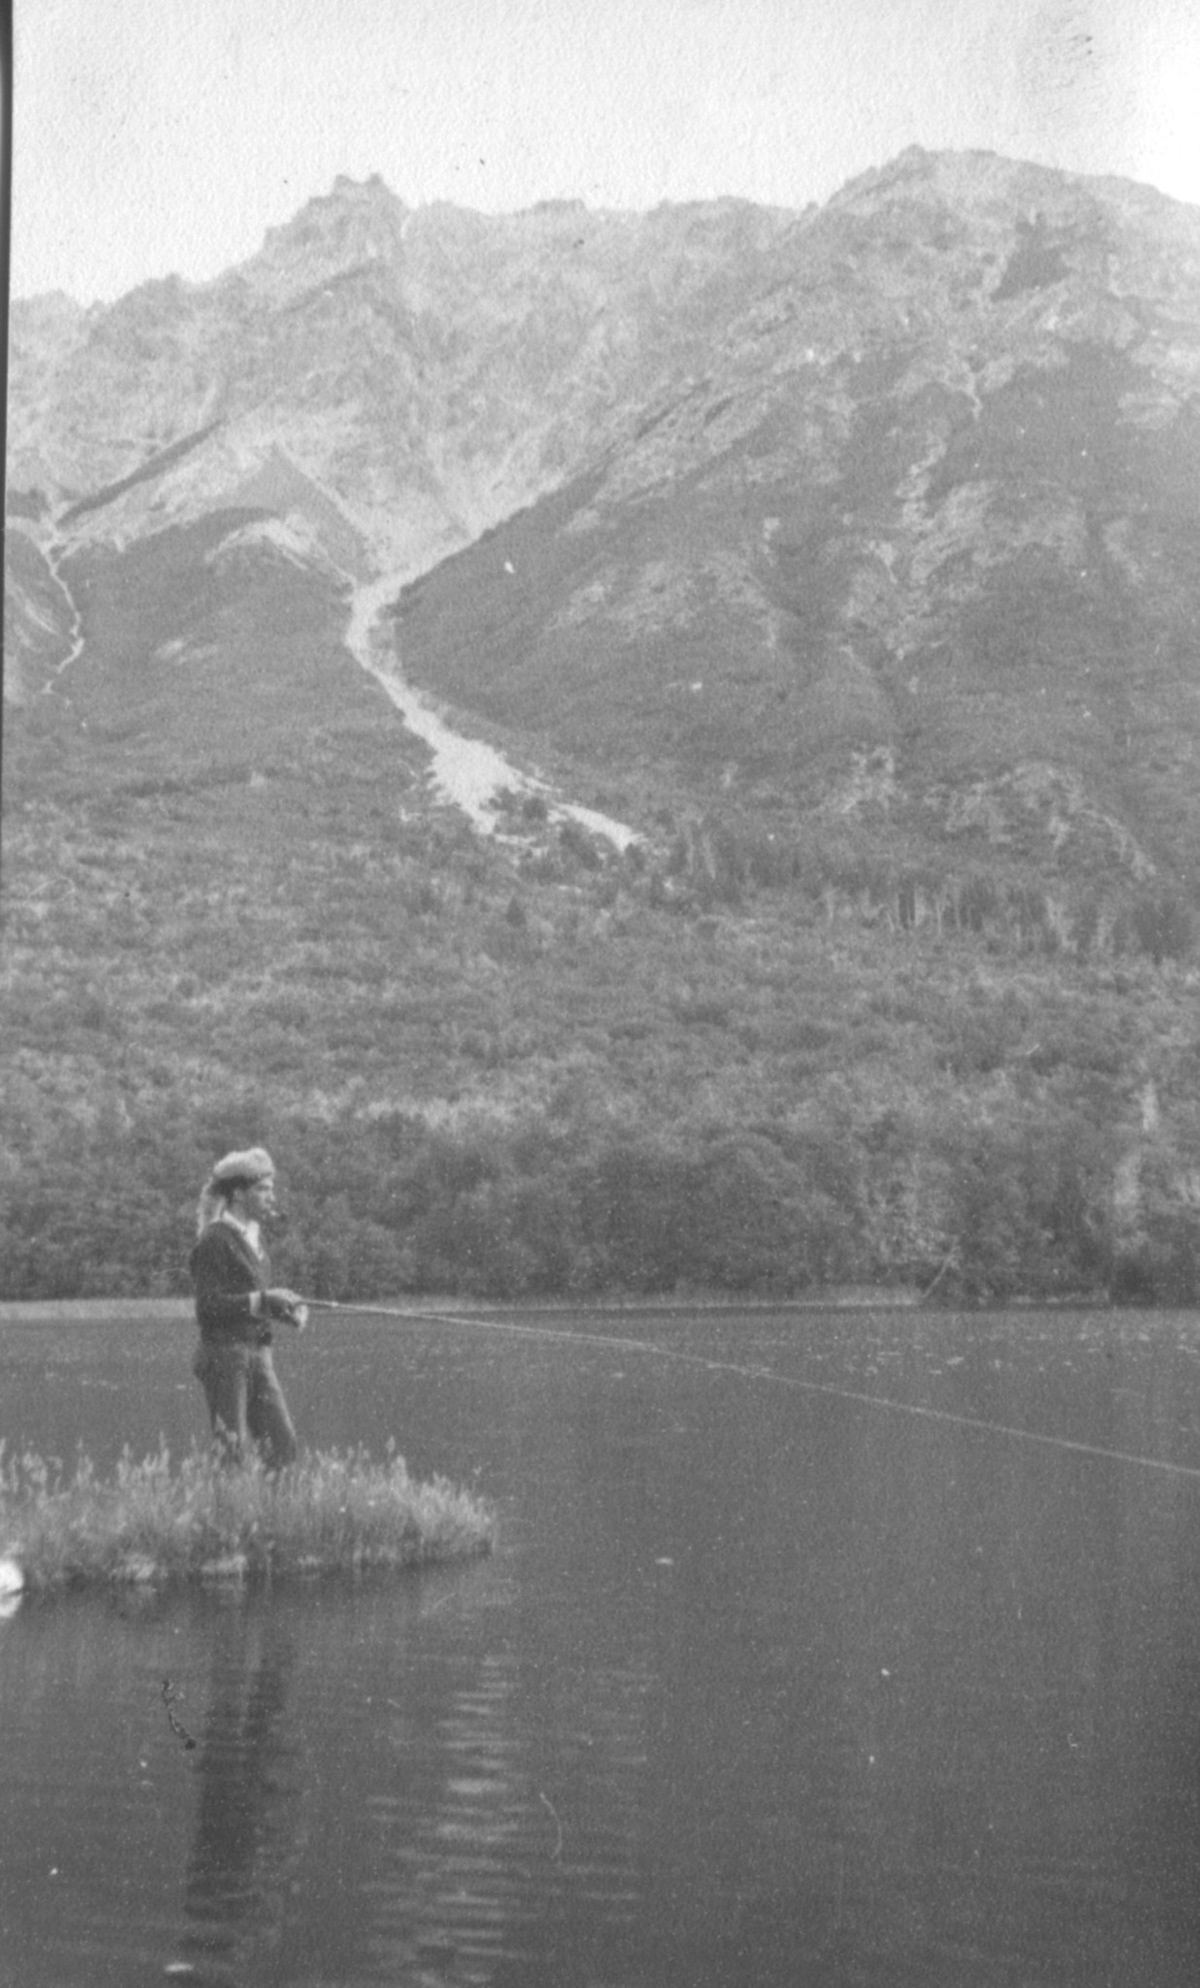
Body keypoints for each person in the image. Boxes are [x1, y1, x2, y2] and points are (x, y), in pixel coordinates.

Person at [189, 1148, 308, 1470]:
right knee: (232, 1452)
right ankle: (229, 1517)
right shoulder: (214, 1240)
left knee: (282, 1445)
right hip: (223, 1355)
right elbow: (208, 1308)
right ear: (239, 1194)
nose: (271, 1197)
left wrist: (285, 1311)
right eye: (263, 1189)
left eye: (271, 1189)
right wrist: (264, 1300)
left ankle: (277, 1517)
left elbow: (252, 1300)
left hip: (258, 1355)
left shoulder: (256, 1239)